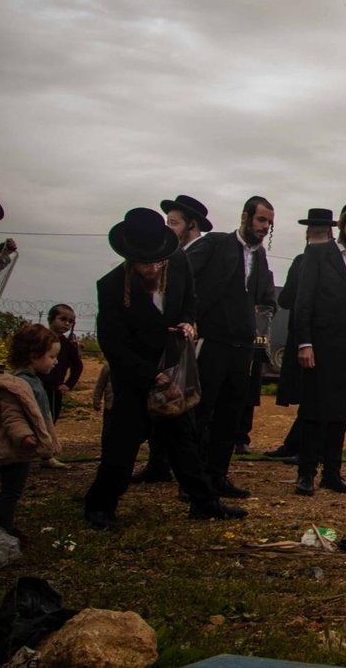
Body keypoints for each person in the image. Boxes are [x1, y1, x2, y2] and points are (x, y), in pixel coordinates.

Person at [84, 208, 245, 528]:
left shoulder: (178, 262)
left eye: (158, 262)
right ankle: (100, 506)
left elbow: (190, 300)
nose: (153, 268)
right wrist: (150, 375)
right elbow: (112, 345)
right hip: (135, 376)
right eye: (146, 263)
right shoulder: (111, 286)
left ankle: (204, 503)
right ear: (130, 258)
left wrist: (188, 322)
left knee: (183, 439)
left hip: (172, 370)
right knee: (122, 445)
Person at [185, 196, 276, 499]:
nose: (265, 227)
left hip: (242, 348)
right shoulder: (215, 244)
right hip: (211, 342)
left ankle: (217, 475)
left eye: (269, 223)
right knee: (201, 412)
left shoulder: (260, 257)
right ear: (245, 217)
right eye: (261, 220)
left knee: (230, 414)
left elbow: (265, 299)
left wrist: (261, 326)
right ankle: (193, 481)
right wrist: (189, 318)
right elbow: (185, 276)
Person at [291, 205, 346, 496]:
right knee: (314, 412)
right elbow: (304, 301)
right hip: (320, 345)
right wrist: (305, 342)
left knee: (340, 415)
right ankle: (306, 474)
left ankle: (332, 474)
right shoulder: (318, 254)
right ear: (341, 226)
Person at [132, 194, 213, 485]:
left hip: (187, 341)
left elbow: (195, 297)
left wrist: (190, 322)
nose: (168, 229)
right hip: (162, 341)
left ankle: (187, 476)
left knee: (183, 407)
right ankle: (159, 463)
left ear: (191, 225)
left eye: (173, 223)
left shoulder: (199, 252)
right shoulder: (170, 253)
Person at [267, 207, 337, 462]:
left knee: (315, 396)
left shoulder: (311, 261)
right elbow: (286, 299)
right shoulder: (308, 261)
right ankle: (297, 443)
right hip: (308, 336)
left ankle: (304, 446)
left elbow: (286, 298)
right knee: (311, 395)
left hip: (319, 337)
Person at [0, 324, 61, 540]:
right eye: (52, 356)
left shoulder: (31, 380)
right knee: (12, 490)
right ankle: (2, 528)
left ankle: (4, 524)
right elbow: (12, 415)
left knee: (13, 488)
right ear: (34, 355)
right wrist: (24, 436)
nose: (55, 362)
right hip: (15, 449)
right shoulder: (19, 384)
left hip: (20, 449)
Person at [36, 305, 82, 469]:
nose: (67, 324)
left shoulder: (67, 345)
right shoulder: (39, 339)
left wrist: (68, 384)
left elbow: (78, 366)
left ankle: (46, 456)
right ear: (51, 319)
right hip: (34, 387)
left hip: (54, 390)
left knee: (50, 421)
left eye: (71, 321)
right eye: (63, 319)